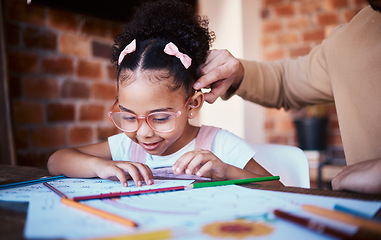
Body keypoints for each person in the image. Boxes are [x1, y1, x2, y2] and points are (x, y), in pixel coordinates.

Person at [47, 0, 281, 188]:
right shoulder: (128, 146)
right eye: (129, 117)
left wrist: (227, 172)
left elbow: (279, 189)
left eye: (160, 118)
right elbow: (56, 161)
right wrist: (99, 167)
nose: (144, 133)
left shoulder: (218, 145)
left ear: (193, 104)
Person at [193, 1, 381, 194]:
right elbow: (286, 81)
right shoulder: (353, 36)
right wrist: (239, 72)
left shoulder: (221, 143)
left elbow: (272, 185)